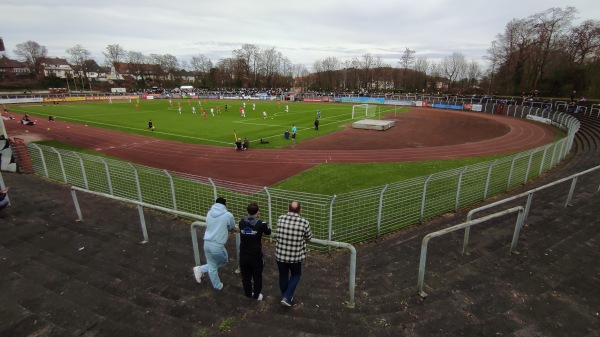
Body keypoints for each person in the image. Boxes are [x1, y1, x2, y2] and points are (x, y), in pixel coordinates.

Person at [193, 197, 235, 290]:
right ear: (224, 205)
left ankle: (217, 285)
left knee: (212, 265)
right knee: (223, 261)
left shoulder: (209, 213)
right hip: (217, 245)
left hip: (207, 243)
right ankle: (201, 269)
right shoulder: (227, 215)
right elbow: (231, 226)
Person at [276, 201, 312, 307]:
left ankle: (286, 296)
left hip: (280, 255)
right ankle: (287, 296)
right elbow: (308, 237)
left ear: (288, 209)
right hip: (295, 257)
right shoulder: (304, 222)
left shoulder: (280, 218)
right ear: (300, 210)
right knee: (296, 274)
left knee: (283, 275)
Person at [239, 202, 272, 300]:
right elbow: (268, 232)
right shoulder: (261, 223)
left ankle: (248, 295)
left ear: (247, 211)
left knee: (246, 277)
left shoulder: (242, 222)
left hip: (244, 255)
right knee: (257, 276)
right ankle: (256, 296)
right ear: (257, 212)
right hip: (256, 256)